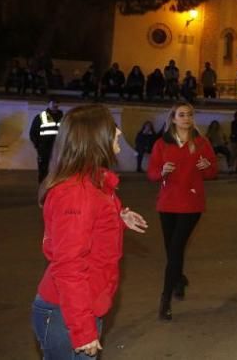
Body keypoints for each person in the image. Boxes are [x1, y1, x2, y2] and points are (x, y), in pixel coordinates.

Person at [32, 104, 148, 359]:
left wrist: (118, 215)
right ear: (94, 138)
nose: (118, 132)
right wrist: (83, 331)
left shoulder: (92, 181)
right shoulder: (76, 193)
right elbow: (69, 265)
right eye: (112, 127)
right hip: (67, 312)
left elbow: (93, 212)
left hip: (80, 305)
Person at [146, 103, 218, 321]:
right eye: (182, 115)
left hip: (191, 204)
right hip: (167, 204)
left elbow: (213, 172)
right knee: (171, 250)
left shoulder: (201, 143)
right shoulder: (161, 144)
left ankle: (165, 299)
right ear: (173, 119)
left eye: (189, 115)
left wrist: (206, 167)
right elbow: (151, 173)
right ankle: (178, 279)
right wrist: (162, 171)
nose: (186, 118)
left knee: (176, 249)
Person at [31, 99, 64, 183]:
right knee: (43, 170)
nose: (55, 104)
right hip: (44, 148)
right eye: (53, 102)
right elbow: (33, 132)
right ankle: (43, 189)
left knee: (58, 170)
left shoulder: (63, 117)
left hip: (59, 148)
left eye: (57, 102)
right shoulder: (41, 117)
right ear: (48, 104)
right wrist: (38, 145)